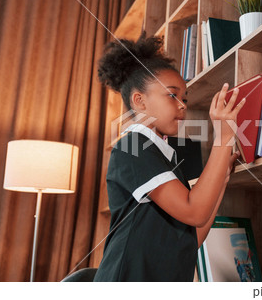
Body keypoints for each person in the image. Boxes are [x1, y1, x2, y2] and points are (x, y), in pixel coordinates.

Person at [92, 31, 245, 282]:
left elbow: (192, 236)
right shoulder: (133, 147)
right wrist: (224, 137)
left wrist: (222, 179)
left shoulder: (166, 158)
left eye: (184, 97)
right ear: (139, 101)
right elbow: (194, 211)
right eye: (172, 95)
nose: (183, 105)